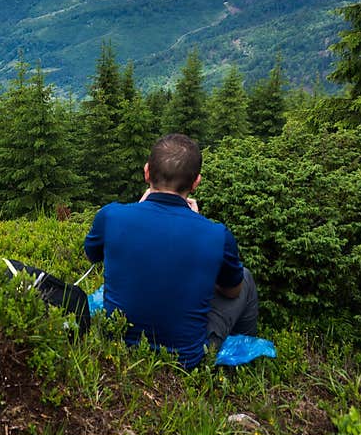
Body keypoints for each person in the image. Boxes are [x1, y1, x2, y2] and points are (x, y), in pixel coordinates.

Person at [83, 133, 258, 369]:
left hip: (117, 342)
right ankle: (242, 368)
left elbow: (92, 255)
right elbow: (231, 290)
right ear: (196, 181)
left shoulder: (111, 215)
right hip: (185, 359)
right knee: (244, 277)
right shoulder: (216, 234)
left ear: (147, 172)